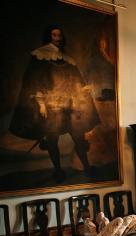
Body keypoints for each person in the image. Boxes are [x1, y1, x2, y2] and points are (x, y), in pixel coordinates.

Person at [10, 25, 100, 182]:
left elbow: (76, 82)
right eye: (54, 35)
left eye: (59, 35)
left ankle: (87, 168)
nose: (58, 38)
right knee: (52, 139)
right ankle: (58, 171)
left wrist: (83, 90)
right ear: (49, 36)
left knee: (78, 137)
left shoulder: (68, 59)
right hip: (52, 107)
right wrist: (41, 104)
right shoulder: (40, 55)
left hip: (70, 107)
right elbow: (34, 82)